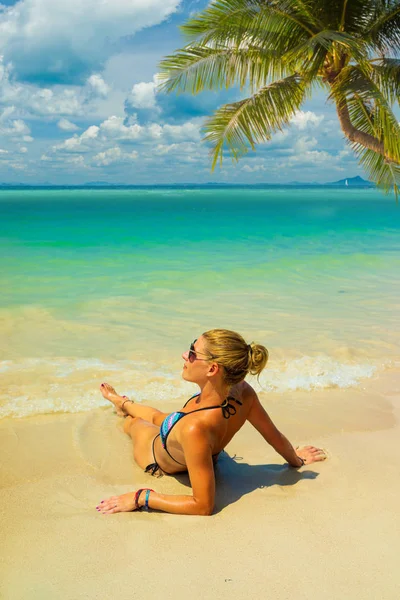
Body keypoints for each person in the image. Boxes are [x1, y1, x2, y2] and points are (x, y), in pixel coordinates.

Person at [96, 329, 326, 516]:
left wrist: (141, 498)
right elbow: (273, 436)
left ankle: (121, 407)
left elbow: (203, 505)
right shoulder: (243, 392)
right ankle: (121, 401)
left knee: (136, 424)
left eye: (192, 353)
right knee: (158, 416)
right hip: (192, 442)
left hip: (156, 455)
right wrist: (296, 459)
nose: (185, 356)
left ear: (212, 368)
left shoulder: (195, 428)